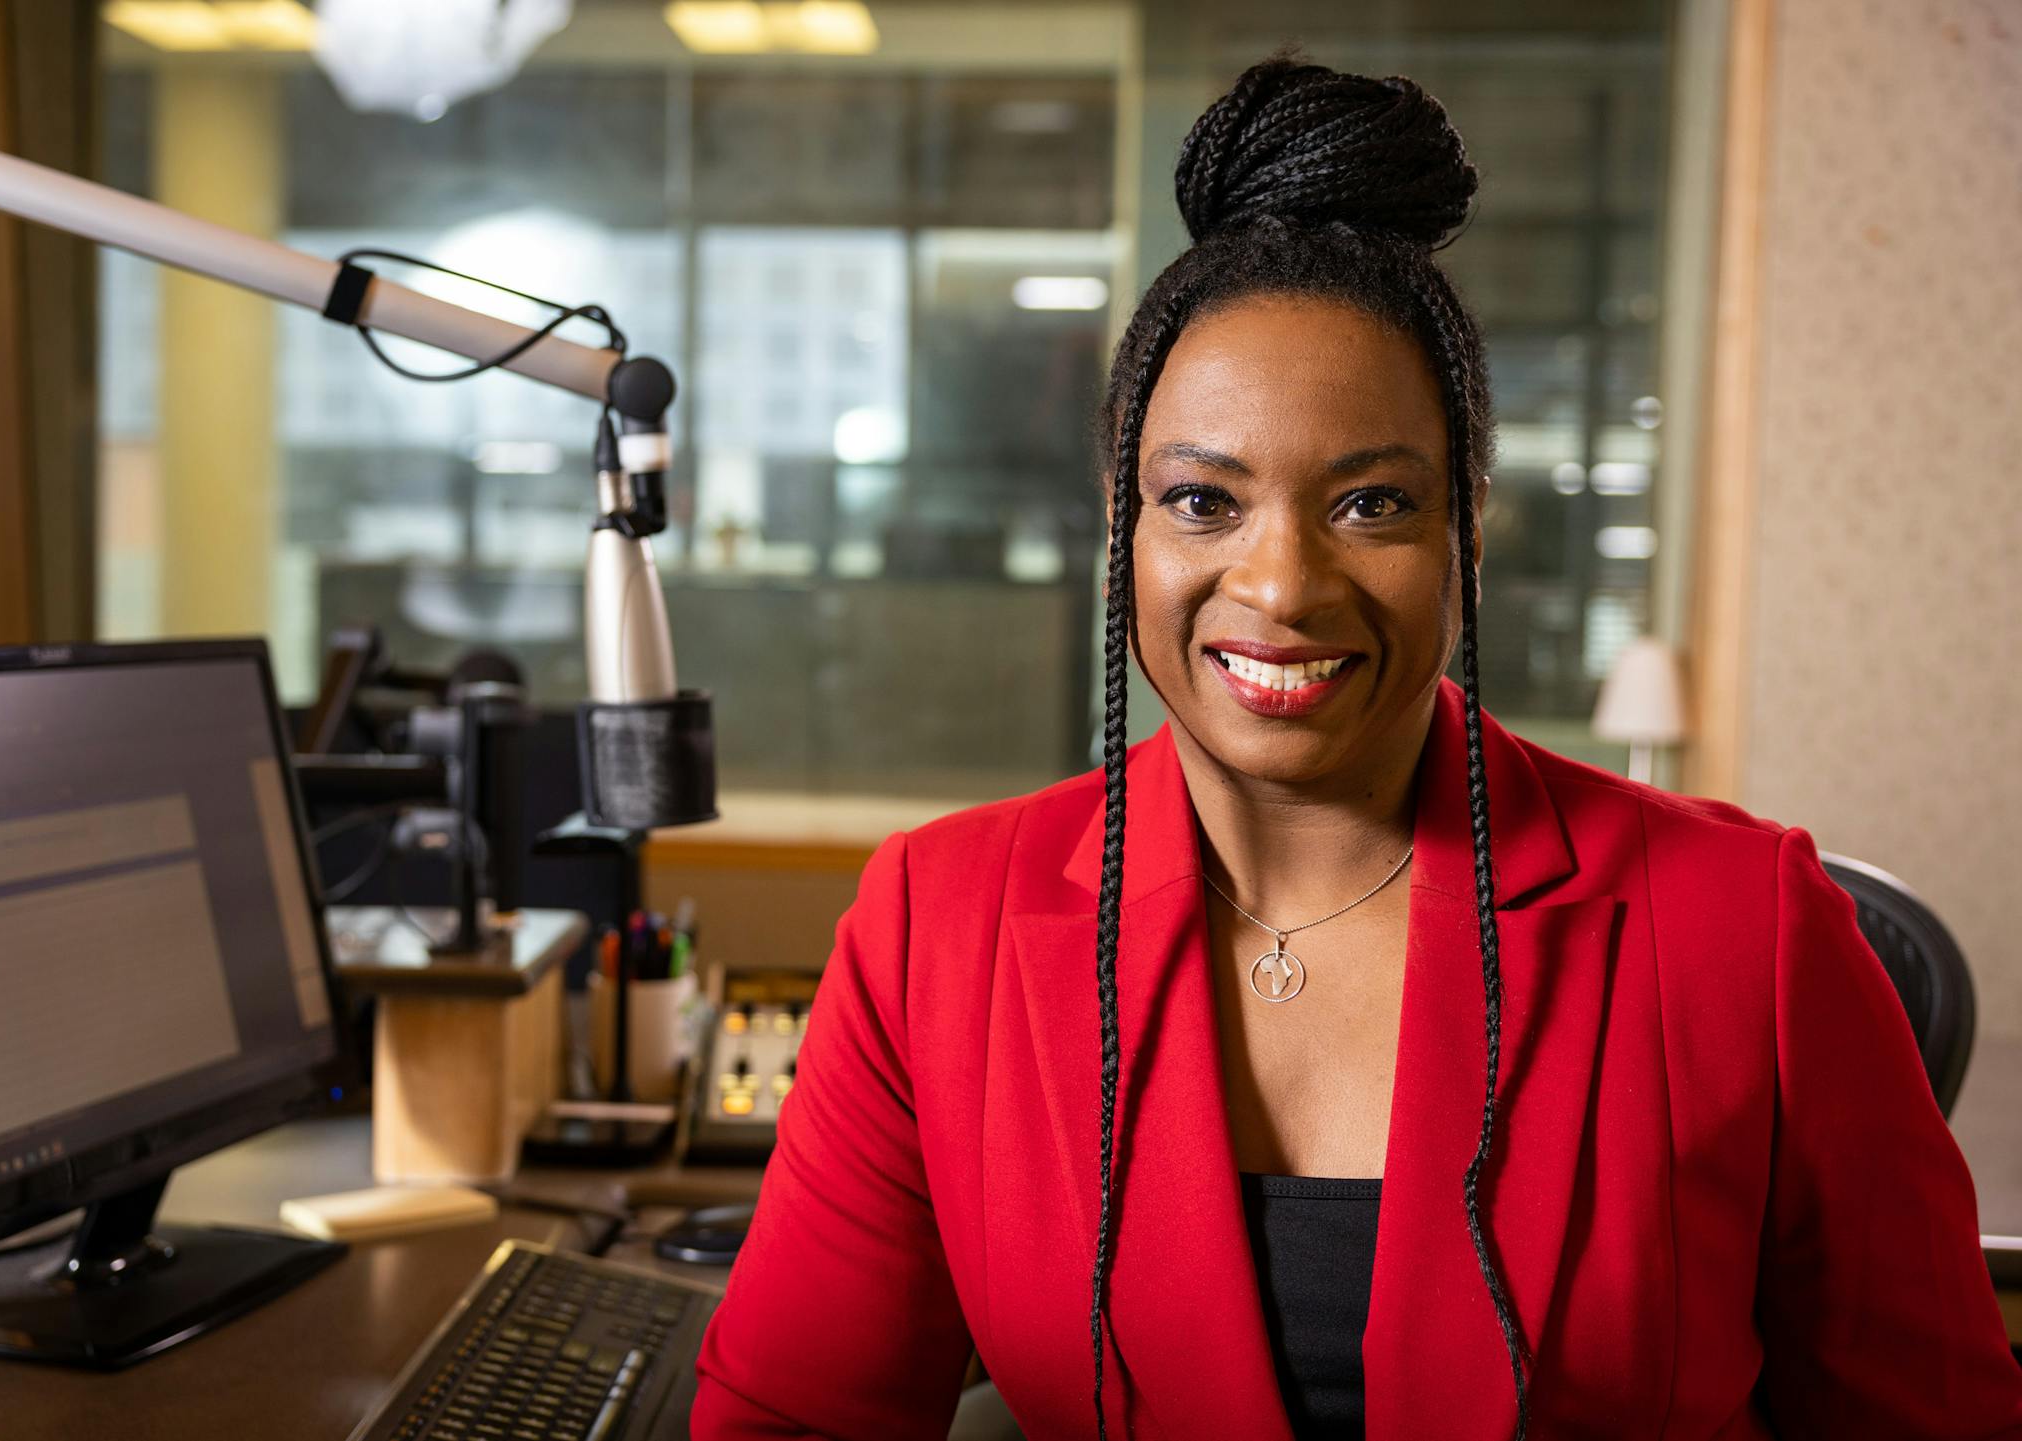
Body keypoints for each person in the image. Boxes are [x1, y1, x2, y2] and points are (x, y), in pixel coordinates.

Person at [691, 57, 2022, 1441]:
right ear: (1122, 528)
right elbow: (789, 1417)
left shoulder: (1750, 931)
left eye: (1373, 501)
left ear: (1469, 530)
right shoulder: (934, 931)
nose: (1282, 583)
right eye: (1203, 498)